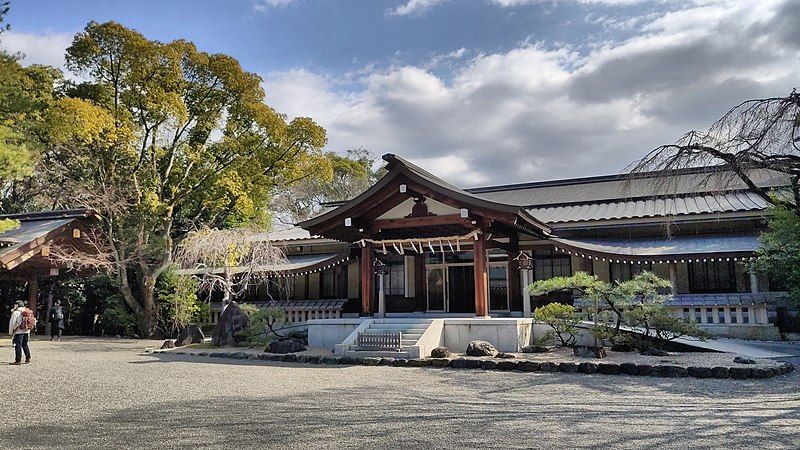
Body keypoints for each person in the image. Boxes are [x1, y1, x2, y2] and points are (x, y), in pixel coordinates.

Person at [8, 300, 36, 365]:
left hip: (18, 331)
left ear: (17, 305)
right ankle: (28, 358)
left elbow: (12, 323)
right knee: (25, 344)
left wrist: (11, 332)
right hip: (27, 331)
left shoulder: (16, 312)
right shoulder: (27, 311)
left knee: (18, 345)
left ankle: (18, 360)